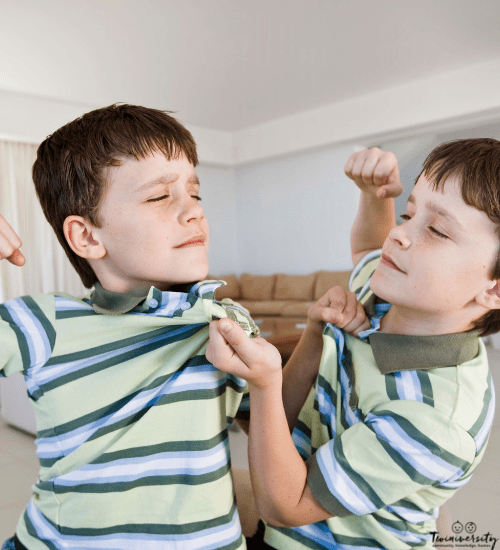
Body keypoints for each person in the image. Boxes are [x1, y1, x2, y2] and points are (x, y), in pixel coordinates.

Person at [207, 140, 499, 549]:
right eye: (408, 213)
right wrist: (374, 195)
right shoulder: (379, 292)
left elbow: (286, 505)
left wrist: (265, 382)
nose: (397, 234)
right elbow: (367, 247)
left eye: (436, 229)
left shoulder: (434, 419)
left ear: (495, 288)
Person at [0, 104, 263, 550]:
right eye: (159, 197)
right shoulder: (43, 323)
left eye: (195, 194)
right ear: (87, 236)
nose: (193, 211)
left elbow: (284, 441)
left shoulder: (225, 322)